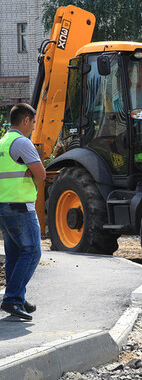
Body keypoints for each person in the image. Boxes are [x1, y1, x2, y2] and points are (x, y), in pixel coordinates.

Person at [0, 103, 46, 320]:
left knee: (15, 255)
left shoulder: (2, 142)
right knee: (32, 252)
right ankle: (12, 299)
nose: (34, 126)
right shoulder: (22, 143)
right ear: (26, 120)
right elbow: (42, 175)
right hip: (21, 207)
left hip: (4, 206)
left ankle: (18, 297)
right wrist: (34, 175)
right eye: (34, 122)